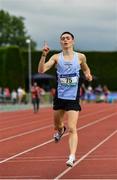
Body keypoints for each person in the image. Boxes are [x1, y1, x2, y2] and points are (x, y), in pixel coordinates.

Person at [38, 32, 92, 167]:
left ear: (73, 41)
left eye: (68, 38)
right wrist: (44, 55)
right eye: (62, 39)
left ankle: (71, 156)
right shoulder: (56, 57)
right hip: (60, 96)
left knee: (73, 128)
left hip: (73, 97)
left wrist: (88, 74)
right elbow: (41, 70)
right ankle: (60, 130)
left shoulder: (80, 57)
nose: (65, 40)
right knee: (57, 125)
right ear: (60, 42)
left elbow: (85, 68)